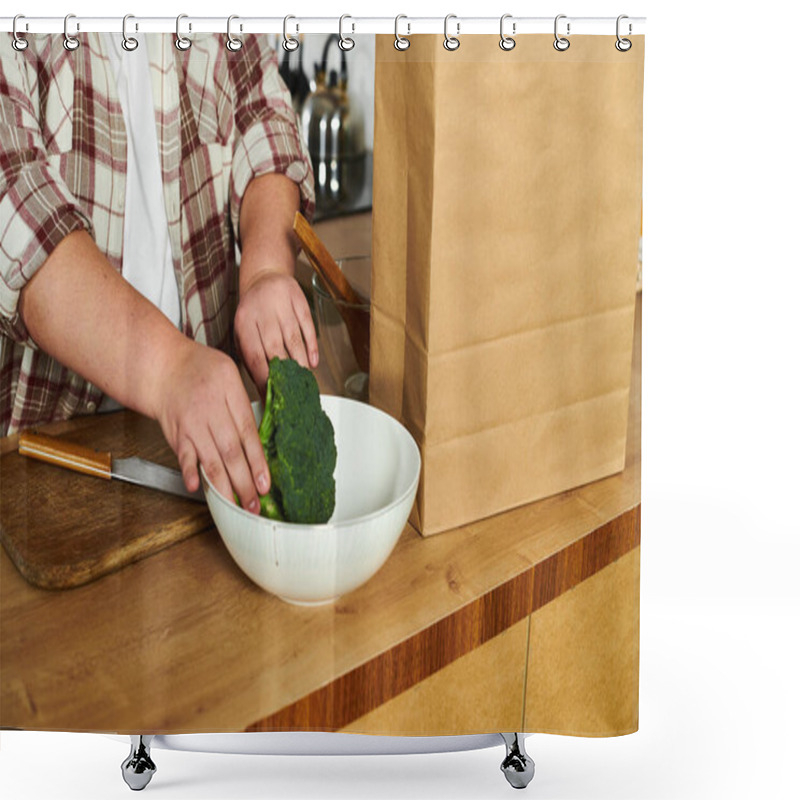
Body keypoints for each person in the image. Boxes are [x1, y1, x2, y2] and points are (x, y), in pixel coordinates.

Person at [0, 32, 317, 516]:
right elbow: (20, 219)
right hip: (47, 456)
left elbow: (263, 115)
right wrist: (170, 370)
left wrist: (266, 268)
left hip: (212, 436)